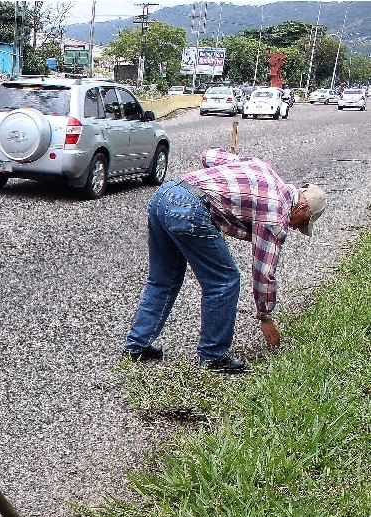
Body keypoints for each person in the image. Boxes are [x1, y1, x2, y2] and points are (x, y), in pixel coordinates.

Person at [124, 148, 326, 373]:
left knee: (163, 280)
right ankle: (212, 356)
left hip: (164, 195)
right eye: (303, 223)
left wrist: (225, 186)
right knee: (224, 281)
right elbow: (263, 274)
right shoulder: (276, 216)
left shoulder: (263, 167)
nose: (297, 228)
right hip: (189, 209)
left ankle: (136, 346)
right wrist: (265, 317)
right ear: (301, 207)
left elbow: (208, 156)